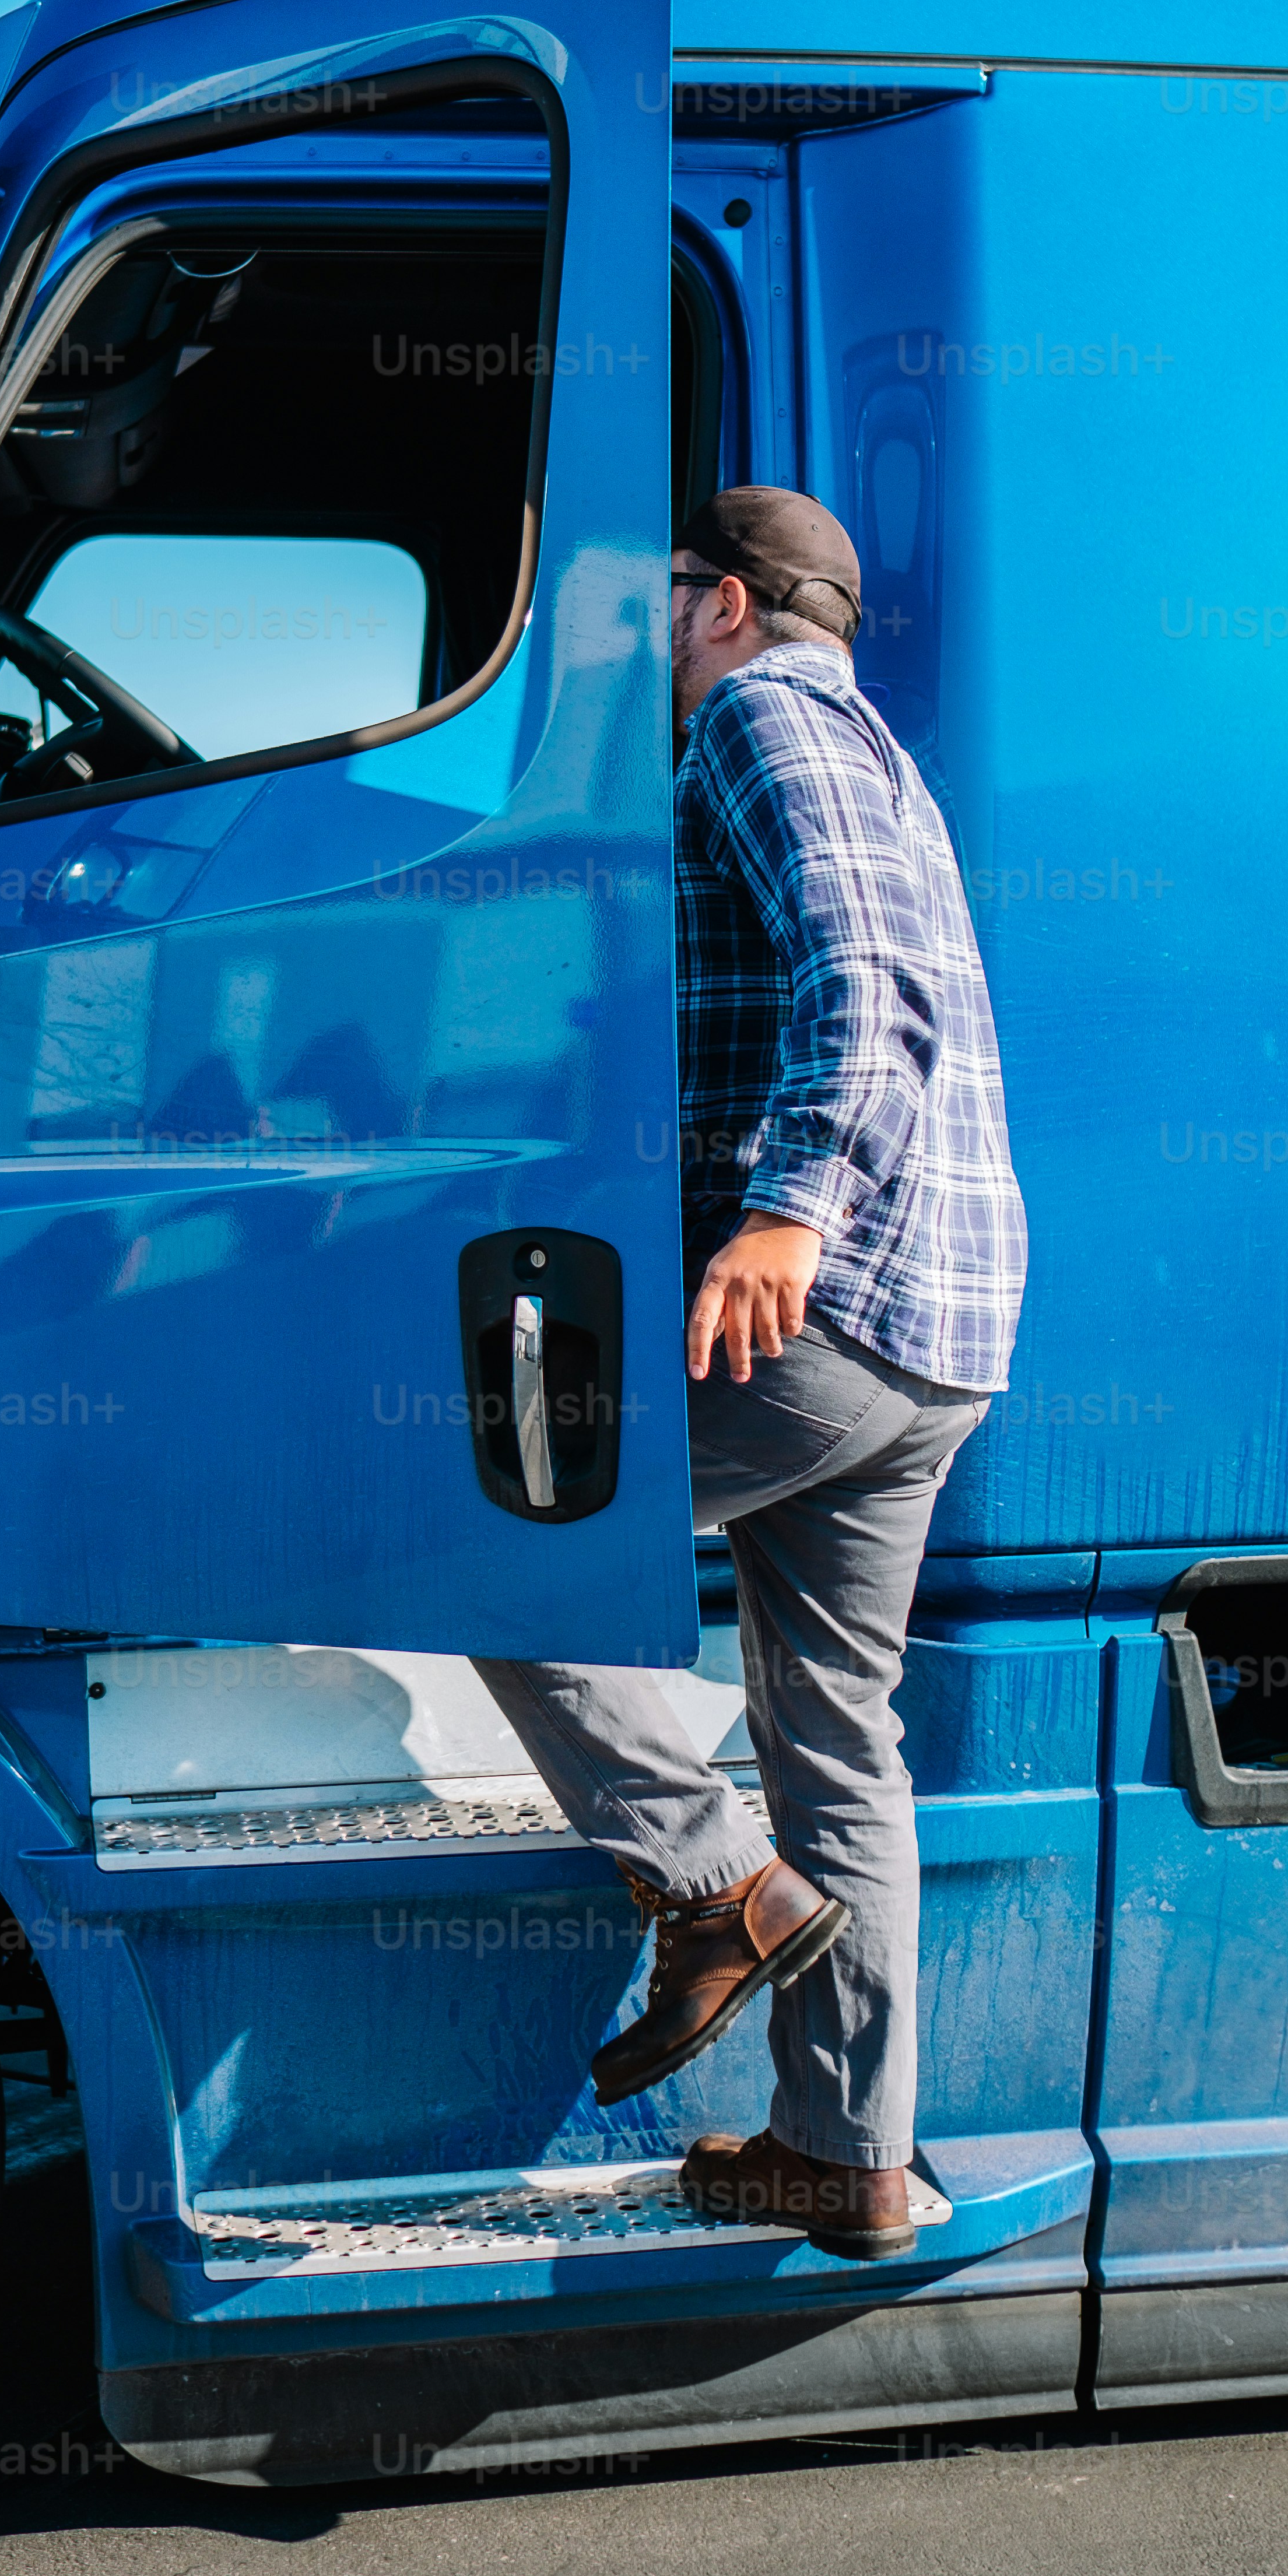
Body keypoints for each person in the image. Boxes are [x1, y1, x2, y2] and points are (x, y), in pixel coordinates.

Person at [474, 486, 1027, 2259]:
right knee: (838, 1741)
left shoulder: (761, 719)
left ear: (718, 604)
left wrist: (785, 1214)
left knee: (494, 1533)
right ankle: (846, 2158)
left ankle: (716, 1887)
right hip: (936, 1333)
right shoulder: (875, 751)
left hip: (833, 1305)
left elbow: (866, 991)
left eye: (654, 611)